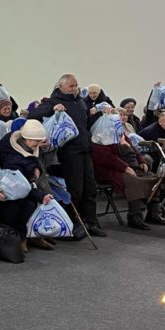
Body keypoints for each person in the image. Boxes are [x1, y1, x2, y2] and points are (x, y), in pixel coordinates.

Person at [27, 74, 107, 237]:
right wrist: (53, 109)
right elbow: (32, 115)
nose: (75, 88)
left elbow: (85, 126)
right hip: (70, 153)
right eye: (71, 86)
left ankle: (91, 222)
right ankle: (75, 222)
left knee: (91, 188)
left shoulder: (80, 102)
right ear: (61, 86)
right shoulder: (53, 101)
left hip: (85, 150)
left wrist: (99, 114)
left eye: (76, 85)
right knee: (75, 190)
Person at [0, 121, 56, 251]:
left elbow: (31, 162)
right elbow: (21, 187)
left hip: (24, 185)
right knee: (28, 204)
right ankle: (20, 237)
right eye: (36, 142)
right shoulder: (12, 158)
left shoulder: (27, 147)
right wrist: (40, 196)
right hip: (10, 189)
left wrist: (36, 167)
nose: (39, 145)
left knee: (34, 201)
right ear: (26, 138)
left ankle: (33, 235)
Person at [91, 130, 165, 229]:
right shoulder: (101, 137)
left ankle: (153, 214)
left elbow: (135, 151)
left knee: (154, 178)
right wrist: (125, 167)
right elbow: (106, 158)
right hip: (110, 171)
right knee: (134, 181)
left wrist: (142, 161)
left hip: (131, 167)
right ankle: (134, 216)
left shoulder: (124, 136)